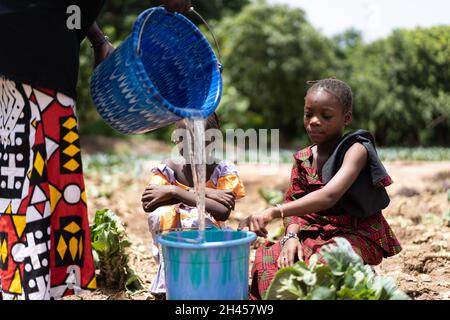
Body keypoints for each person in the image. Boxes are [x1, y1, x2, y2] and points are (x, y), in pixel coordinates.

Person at [0, 0, 191, 300]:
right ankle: (24, 290)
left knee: (40, 188)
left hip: (36, 54)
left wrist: (97, 38)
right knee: (28, 193)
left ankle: (31, 288)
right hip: (30, 59)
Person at [238, 78, 402, 300]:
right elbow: (294, 200)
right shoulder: (303, 158)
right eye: (308, 114)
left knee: (327, 262)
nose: (314, 121)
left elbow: (329, 195)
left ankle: (358, 278)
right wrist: (291, 238)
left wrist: (274, 211)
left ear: (346, 118)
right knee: (270, 257)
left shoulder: (355, 150)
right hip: (313, 233)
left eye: (325, 116)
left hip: (353, 233)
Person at [142, 113, 246, 299]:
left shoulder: (223, 170)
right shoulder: (168, 168)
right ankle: (169, 281)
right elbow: (149, 203)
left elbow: (222, 212)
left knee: (197, 218)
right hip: (172, 246)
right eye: (181, 138)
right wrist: (207, 193)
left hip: (208, 245)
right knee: (161, 214)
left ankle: (204, 282)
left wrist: (174, 192)